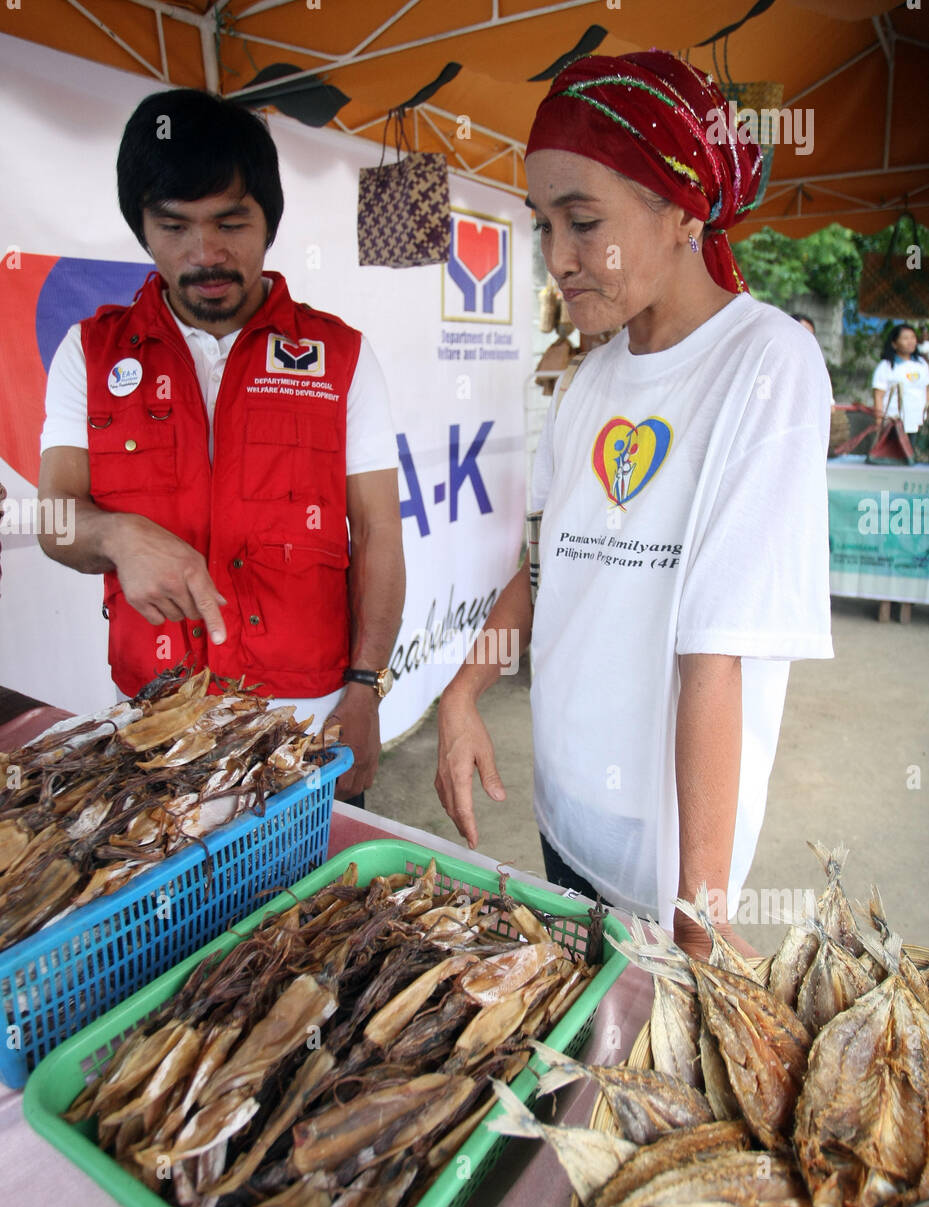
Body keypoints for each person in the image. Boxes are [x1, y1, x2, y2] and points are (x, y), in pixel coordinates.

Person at [434, 52, 833, 958]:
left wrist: (700, 905)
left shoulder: (764, 365)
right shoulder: (589, 380)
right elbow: (542, 570)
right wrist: (462, 693)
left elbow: (713, 656)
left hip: (666, 855)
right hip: (562, 813)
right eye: (542, 225)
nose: (557, 260)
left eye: (582, 222)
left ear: (684, 210)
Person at [37, 90, 404, 802]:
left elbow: (379, 530)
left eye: (230, 222)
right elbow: (52, 519)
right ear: (141, 229)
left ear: (268, 221)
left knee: (312, 911)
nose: (205, 254)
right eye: (173, 226)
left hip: (309, 721)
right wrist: (116, 535)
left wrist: (365, 687)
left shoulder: (339, 355)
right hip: (157, 725)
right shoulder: (89, 354)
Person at [871, 323, 929, 452]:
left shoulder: (922, 364)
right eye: (905, 338)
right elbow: (878, 395)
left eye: (913, 337)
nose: (911, 341)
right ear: (894, 343)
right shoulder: (886, 366)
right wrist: (879, 420)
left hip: (919, 421)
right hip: (894, 421)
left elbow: (926, 389)